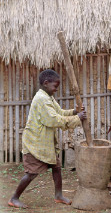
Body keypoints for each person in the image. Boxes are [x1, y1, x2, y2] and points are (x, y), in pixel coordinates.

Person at [8, 69, 87, 209]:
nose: (56, 89)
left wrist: (74, 112)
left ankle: (58, 195)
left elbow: (60, 112)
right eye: (55, 86)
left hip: (46, 144)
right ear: (46, 83)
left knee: (56, 167)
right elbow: (53, 120)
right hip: (35, 144)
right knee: (31, 173)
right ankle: (14, 198)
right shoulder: (41, 99)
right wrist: (77, 118)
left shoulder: (48, 97)